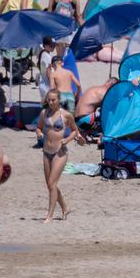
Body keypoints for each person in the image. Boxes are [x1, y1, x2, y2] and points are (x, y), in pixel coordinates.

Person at [37, 90, 84, 222]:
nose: (51, 102)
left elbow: (75, 131)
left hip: (60, 152)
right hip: (46, 152)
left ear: (59, 100)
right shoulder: (44, 113)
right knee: (50, 185)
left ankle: (50, 215)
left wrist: (67, 139)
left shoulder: (66, 115)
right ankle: (64, 208)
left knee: (52, 183)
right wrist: (39, 133)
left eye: (53, 100)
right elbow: (39, 127)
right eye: (49, 100)